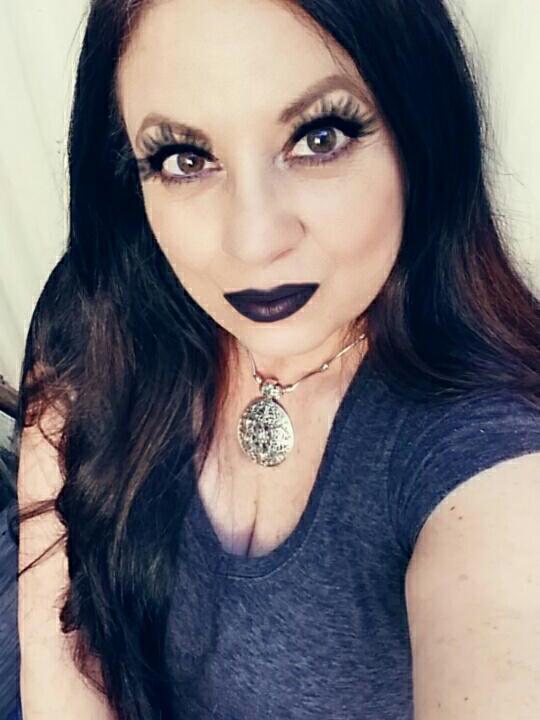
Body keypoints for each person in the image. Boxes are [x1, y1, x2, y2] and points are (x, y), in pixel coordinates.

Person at [1, 0, 539, 718]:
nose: (253, 243)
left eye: (320, 137)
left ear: (422, 131)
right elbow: (56, 652)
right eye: (185, 158)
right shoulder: (95, 308)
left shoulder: (486, 454)